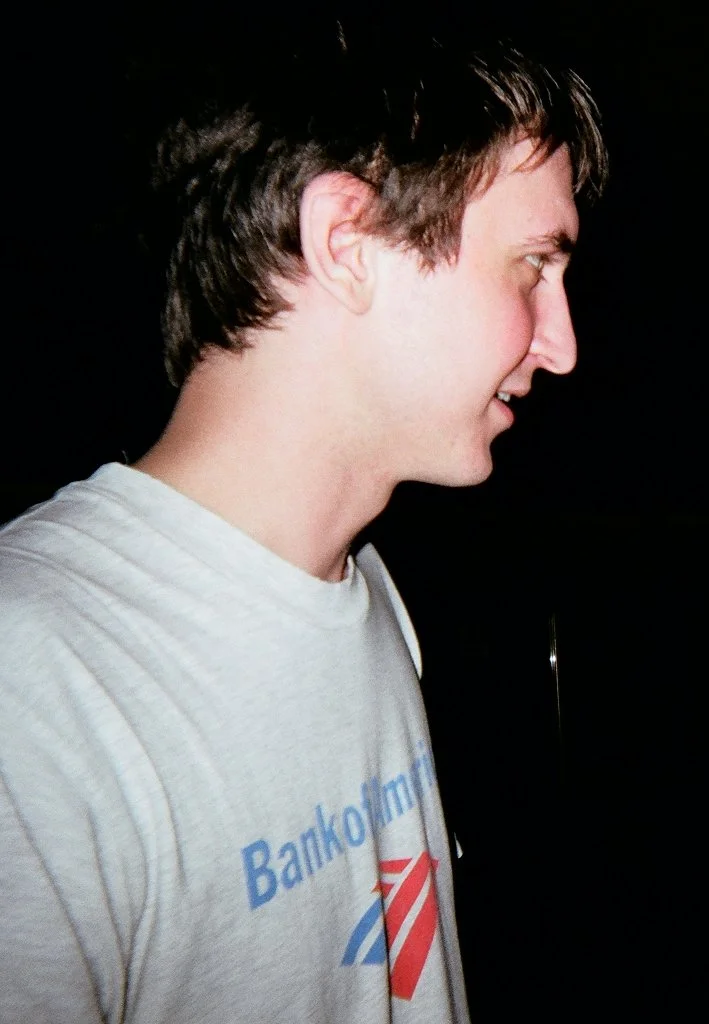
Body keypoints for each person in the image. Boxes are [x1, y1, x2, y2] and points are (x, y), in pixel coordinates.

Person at [0, 28, 605, 1023]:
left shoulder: (362, 593)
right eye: (531, 265)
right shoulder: (35, 685)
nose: (563, 344)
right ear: (345, 243)